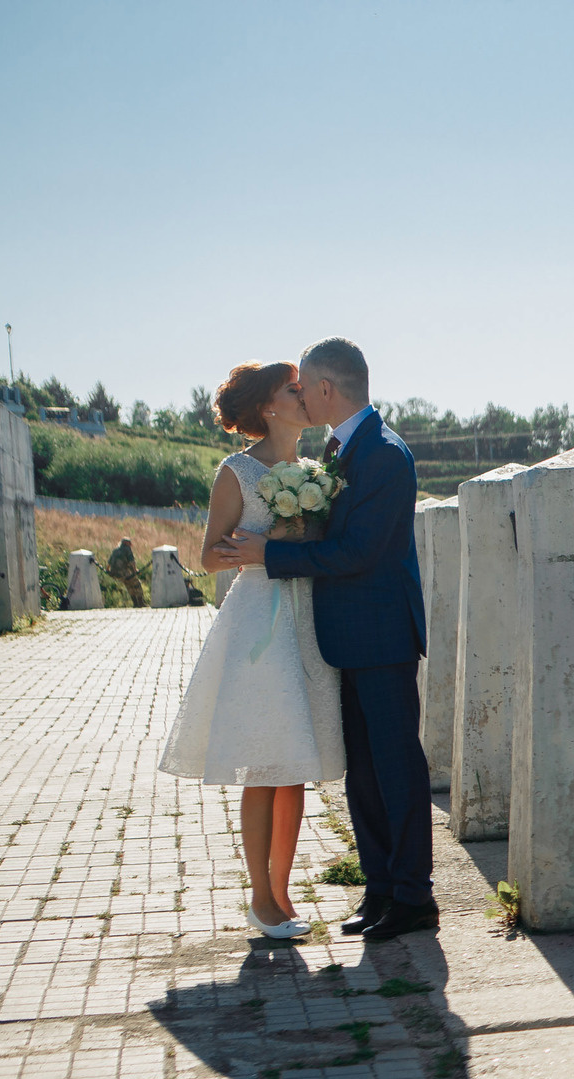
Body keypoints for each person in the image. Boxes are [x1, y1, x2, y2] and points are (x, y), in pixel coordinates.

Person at [211, 338, 435, 941]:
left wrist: (274, 553)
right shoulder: (343, 449)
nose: (303, 396)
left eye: (305, 386)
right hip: (342, 638)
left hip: (381, 636)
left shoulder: (384, 454)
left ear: (327, 390)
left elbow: (361, 551)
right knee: (362, 773)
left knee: (395, 768)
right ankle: (381, 890)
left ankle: (415, 897)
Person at [156, 361, 345, 938]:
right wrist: (268, 544)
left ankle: (283, 895)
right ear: (268, 407)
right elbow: (211, 555)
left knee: (294, 771)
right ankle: (260, 900)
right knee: (264, 767)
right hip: (259, 626)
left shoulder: (316, 471)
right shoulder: (236, 471)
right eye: (294, 389)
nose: (304, 394)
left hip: (308, 619)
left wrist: (298, 537)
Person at [104, 536, 145, 607]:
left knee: (129, 586)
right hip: (127, 573)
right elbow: (132, 562)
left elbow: (109, 562)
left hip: (117, 574)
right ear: (126, 543)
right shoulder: (127, 549)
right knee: (137, 585)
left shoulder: (115, 550)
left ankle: (135, 603)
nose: (130, 545)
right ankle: (140, 603)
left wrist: (108, 570)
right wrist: (135, 570)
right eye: (129, 543)